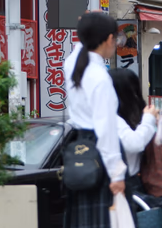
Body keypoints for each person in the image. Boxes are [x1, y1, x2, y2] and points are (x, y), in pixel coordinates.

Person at [63, 12, 127, 228]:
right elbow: (106, 130)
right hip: (101, 152)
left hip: (80, 146)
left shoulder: (73, 66)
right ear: (109, 39)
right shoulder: (100, 77)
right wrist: (116, 173)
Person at [109, 69, 162, 226]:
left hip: (137, 184)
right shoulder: (112, 118)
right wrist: (149, 119)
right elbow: (135, 143)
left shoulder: (126, 116)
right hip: (124, 186)